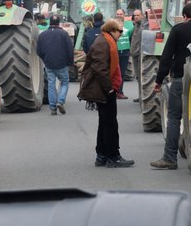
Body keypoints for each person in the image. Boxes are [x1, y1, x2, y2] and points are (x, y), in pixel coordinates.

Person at [150, 2, 191, 170]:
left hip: (179, 80)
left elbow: (167, 56)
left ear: (184, 17)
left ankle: (170, 158)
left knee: (174, 118)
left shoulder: (178, 30)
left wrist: (159, 80)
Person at [79, 18, 133, 167]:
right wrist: (109, 88)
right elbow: (99, 68)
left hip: (103, 88)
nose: (121, 34)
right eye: (120, 31)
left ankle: (101, 155)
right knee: (110, 123)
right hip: (103, 89)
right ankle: (113, 156)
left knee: (104, 122)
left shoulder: (105, 41)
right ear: (112, 30)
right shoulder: (103, 43)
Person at [37, 14, 74, 115]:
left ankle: (53, 107)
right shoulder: (64, 34)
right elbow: (70, 49)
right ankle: (60, 101)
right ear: (58, 23)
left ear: (50, 23)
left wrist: (45, 59)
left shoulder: (43, 35)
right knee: (65, 82)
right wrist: (70, 62)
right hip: (62, 63)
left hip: (49, 64)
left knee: (51, 85)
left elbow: (38, 51)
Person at [115, 9, 133, 87]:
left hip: (125, 52)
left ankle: (120, 91)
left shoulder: (130, 25)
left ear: (124, 15)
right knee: (114, 73)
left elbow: (132, 37)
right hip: (115, 52)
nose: (119, 16)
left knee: (122, 73)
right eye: (117, 14)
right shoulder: (112, 25)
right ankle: (113, 91)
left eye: (121, 14)